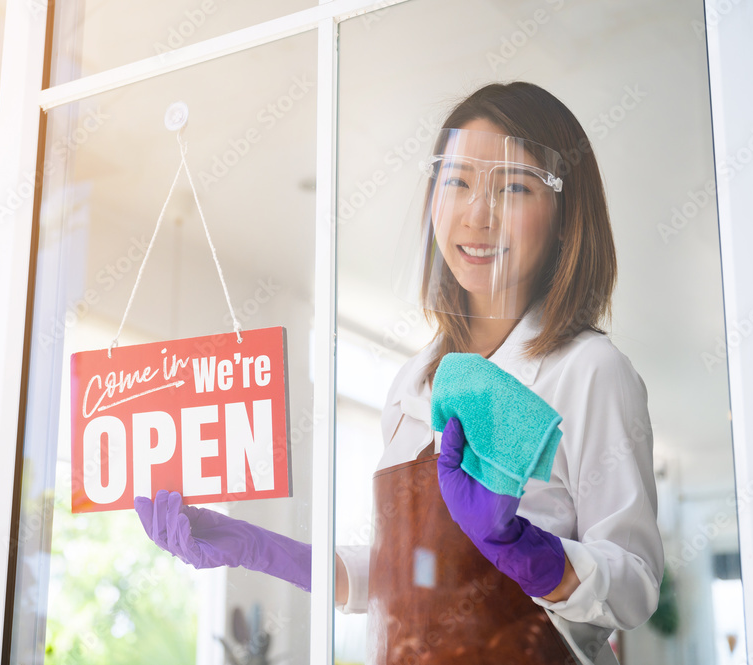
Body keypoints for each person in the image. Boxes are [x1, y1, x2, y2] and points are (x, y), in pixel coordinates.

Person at [134, 81, 664, 665]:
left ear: (567, 217)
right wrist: (259, 550)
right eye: (456, 181)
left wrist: (524, 549)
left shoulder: (589, 370)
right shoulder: (413, 382)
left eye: (513, 187)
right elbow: (402, 572)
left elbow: (634, 586)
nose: (477, 214)